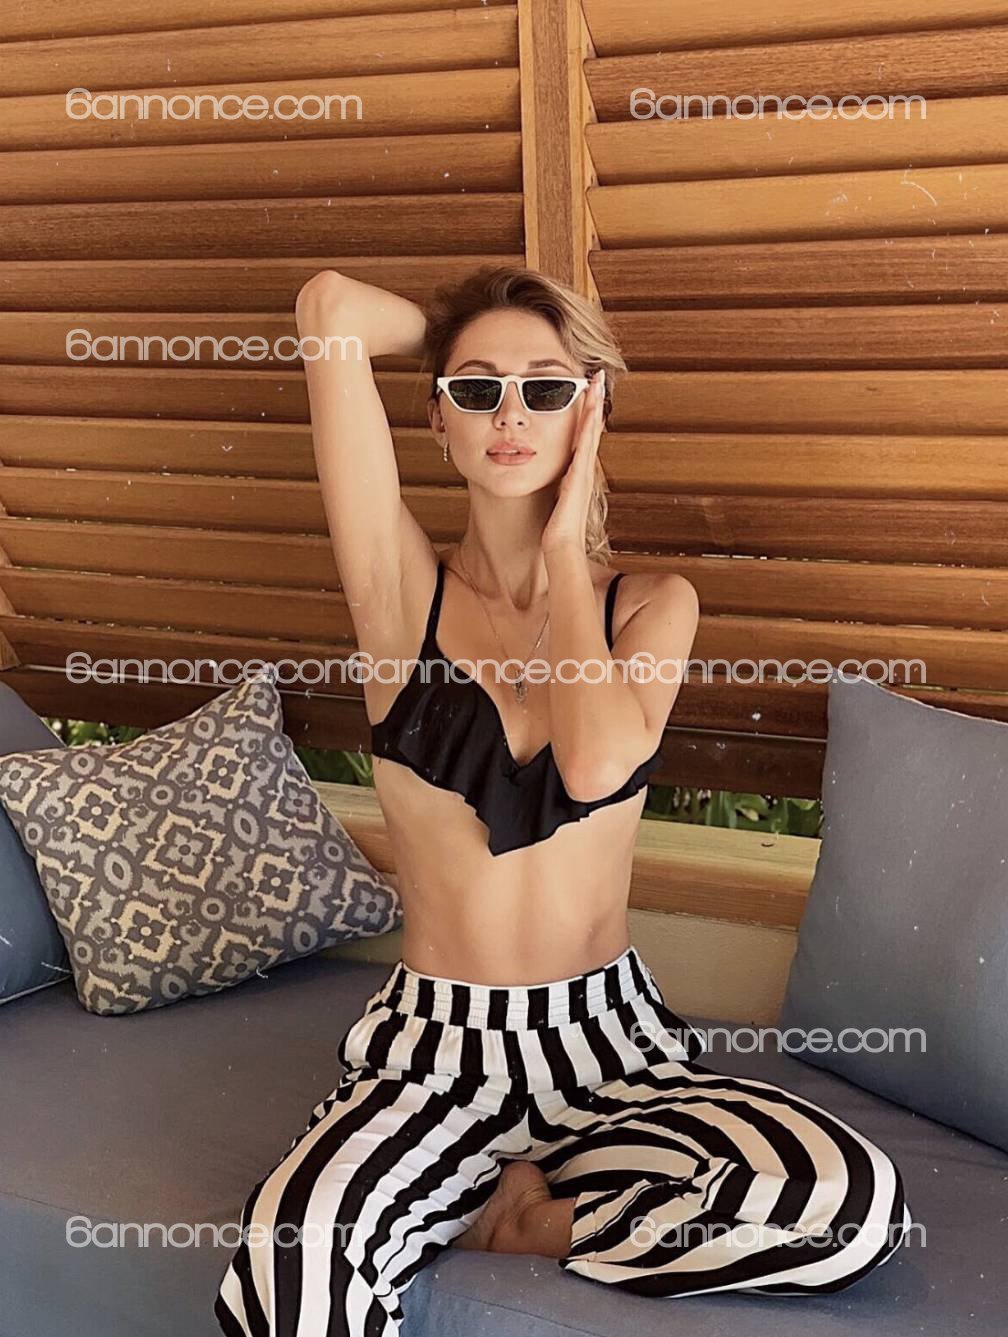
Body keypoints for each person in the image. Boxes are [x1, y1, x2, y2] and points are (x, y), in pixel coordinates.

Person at [214, 265, 910, 1337]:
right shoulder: (400, 598)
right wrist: (458, 330)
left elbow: (590, 770)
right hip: (436, 1053)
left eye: (546, 388)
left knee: (847, 1208)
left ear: (591, 410)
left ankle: (521, 1221)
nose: (510, 415)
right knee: (289, 1268)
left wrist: (563, 550)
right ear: (436, 419)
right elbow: (331, 311)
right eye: (476, 389)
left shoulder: (652, 605)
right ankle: (458, 1197)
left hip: (609, 1047)